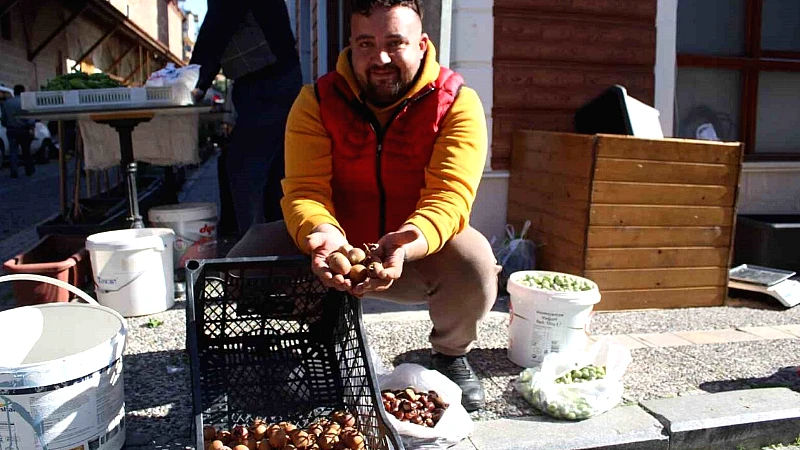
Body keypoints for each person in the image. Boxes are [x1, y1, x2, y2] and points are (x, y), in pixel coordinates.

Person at [228, 0, 500, 411]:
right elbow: (304, 190)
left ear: (422, 44)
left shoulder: (457, 103)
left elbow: (450, 197)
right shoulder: (315, 101)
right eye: (366, 44)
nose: (381, 58)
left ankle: (450, 353)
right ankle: (323, 328)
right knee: (244, 261)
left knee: (475, 260)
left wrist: (406, 244)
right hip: (334, 250)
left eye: (396, 43)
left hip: (411, 255)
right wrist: (324, 237)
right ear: (351, 46)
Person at [189, 1, 303, 236]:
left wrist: (196, 80)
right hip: (271, 76)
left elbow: (221, 20)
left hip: (269, 79)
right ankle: (275, 246)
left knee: (244, 166)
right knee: (271, 169)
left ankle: (251, 251)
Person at [1, 85, 35, 178]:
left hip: (11, 130)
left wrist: (7, 124)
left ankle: (14, 171)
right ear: (22, 92)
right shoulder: (25, 103)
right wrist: (31, 127)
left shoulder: (6, 103)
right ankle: (28, 170)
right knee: (26, 151)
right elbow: (30, 118)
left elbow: (3, 118)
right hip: (23, 130)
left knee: (13, 152)